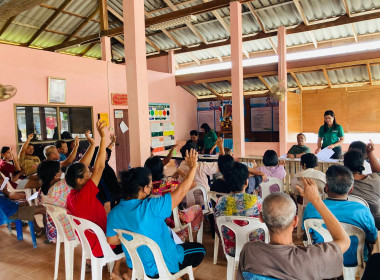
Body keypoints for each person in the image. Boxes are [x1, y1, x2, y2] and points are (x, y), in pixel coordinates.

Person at [106, 150, 205, 279]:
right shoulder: (152, 206)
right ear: (144, 188)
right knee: (200, 250)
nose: (152, 185)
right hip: (163, 264)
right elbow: (181, 191)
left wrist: (136, 235)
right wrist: (193, 167)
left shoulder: (114, 213)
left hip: (136, 265)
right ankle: (173, 276)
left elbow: (112, 240)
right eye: (150, 183)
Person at [237, 178, 350, 280]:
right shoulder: (312, 258)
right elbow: (344, 240)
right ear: (295, 221)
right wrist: (316, 200)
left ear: (261, 218)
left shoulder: (249, 251)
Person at [65, 120, 124, 280]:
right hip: (104, 245)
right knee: (130, 232)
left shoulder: (71, 196)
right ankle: (116, 270)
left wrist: (94, 143)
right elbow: (99, 167)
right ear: (79, 180)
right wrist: (102, 136)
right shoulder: (85, 194)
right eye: (87, 174)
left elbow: (82, 166)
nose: (90, 174)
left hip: (89, 245)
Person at [303, 165, 377, 267]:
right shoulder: (362, 210)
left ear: (326, 188)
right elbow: (372, 237)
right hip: (356, 261)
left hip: (323, 260)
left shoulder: (312, 207)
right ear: (351, 189)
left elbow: (307, 233)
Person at [38, 131, 96, 243]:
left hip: (54, 230)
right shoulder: (58, 188)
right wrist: (92, 145)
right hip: (68, 231)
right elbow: (81, 166)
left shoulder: (43, 189)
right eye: (60, 170)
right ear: (56, 175)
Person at [144, 156, 203, 241]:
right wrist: (180, 171)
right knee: (198, 208)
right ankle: (186, 237)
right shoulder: (169, 184)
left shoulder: (145, 188)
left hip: (154, 222)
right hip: (173, 221)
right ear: (161, 169)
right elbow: (193, 184)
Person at [214, 162, 264, 257]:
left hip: (232, 250)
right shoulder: (258, 202)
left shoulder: (220, 202)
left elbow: (217, 227)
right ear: (246, 182)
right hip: (255, 251)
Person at [344, 144, 380, 229]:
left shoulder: (341, 182)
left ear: (344, 164)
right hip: (375, 222)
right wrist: (370, 153)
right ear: (363, 163)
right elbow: (378, 172)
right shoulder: (376, 179)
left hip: (351, 223)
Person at [89, 134, 121, 209]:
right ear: (97, 156)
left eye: (106, 153)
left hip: (112, 191)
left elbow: (108, 149)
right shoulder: (97, 167)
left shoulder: (104, 162)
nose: (106, 154)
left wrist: (112, 142)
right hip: (106, 193)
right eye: (104, 153)